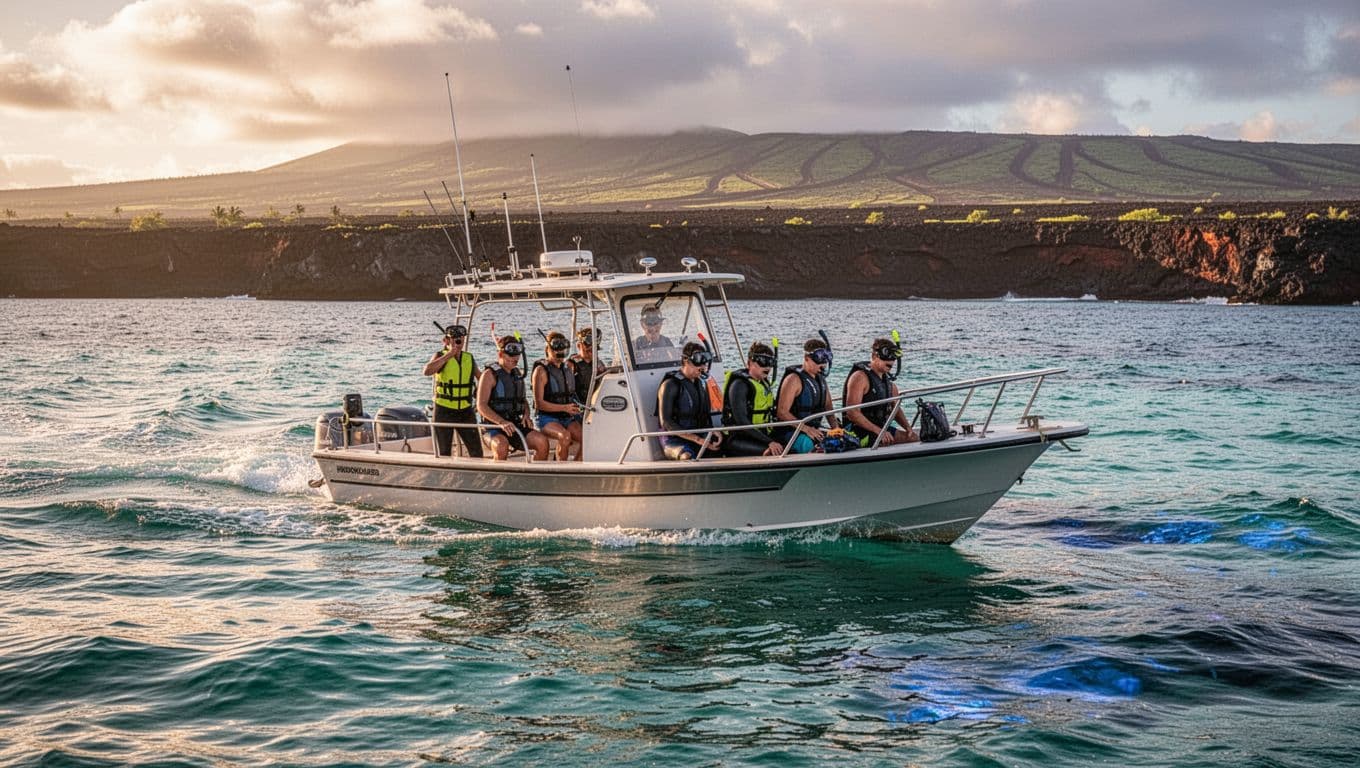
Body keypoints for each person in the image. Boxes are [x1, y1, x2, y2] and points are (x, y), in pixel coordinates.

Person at [477, 335, 550, 462]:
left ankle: (535, 476)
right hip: (493, 427)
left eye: (517, 355)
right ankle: (498, 479)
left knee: (542, 442)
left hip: (515, 425)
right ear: (500, 354)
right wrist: (501, 422)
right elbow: (481, 406)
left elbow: (523, 400)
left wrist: (526, 415)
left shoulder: (517, 374)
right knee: (501, 446)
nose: (515, 359)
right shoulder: (489, 375)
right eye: (510, 356)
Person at [843, 337, 919, 447]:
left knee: (913, 438)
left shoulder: (889, 384)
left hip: (880, 428)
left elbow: (896, 410)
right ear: (874, 356)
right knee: (887, 441)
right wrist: (878, 431)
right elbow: (852, 412)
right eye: (886, 356)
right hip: (858, 432)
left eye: (893, 357)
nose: (890, 361)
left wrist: (908, 428)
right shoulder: (860, 377)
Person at [422, 323, 483, 458]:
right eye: (455, 338)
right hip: (444, 410)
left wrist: (480, 399)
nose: (458, 341)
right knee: (444, 452)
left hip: (465, 411)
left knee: (476, 452)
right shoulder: (440, 355)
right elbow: (427, 371)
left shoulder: (469, 358)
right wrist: (448, 355)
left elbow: (482, 378)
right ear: (446, 340)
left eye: (461, 338)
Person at [656, 342, 722, 460]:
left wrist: (713, 431)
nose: (702, 367)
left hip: (698, 436)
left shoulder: (701, 384)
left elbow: (704, 415)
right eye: (698, 363)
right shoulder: (670, 385)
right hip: (673, 440)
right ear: (686, 361)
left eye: (705, 363)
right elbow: (666, 422)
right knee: (687, 456)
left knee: (723, 447)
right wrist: (698, 439)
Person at [774, 338, 840, 454]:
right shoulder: (793, 379)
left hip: (813, 431)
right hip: (792, 433)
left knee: (840, 441)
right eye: (818, 361)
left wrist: (836, 429)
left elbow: (828, 408)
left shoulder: (821, 380)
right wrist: (806, 429)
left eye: (825, 360)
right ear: (806, 359)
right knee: (811, 445)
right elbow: (782, 412)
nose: (823, 365)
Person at [721, 341, 784, 457]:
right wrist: (769, 442)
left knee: (793, 447)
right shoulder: (739, 385)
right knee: (773, 452)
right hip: (738, 438)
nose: (767, 367)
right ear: (749, 363)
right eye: (763, 362)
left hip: (760, 435)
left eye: (770, 363)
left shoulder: (763, 384)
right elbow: (741, 421)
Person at [531, 331, 582, 461]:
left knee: (587, 438)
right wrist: (564, 408)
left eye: (562, 353)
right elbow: (539, 404)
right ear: (547, 350)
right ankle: (560, 469)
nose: (559, 357)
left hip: (567, 418)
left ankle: (574, 469)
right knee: (564, 436)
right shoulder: (541, 371)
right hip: (546, 418)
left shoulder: (567, 368)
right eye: (555, 352)